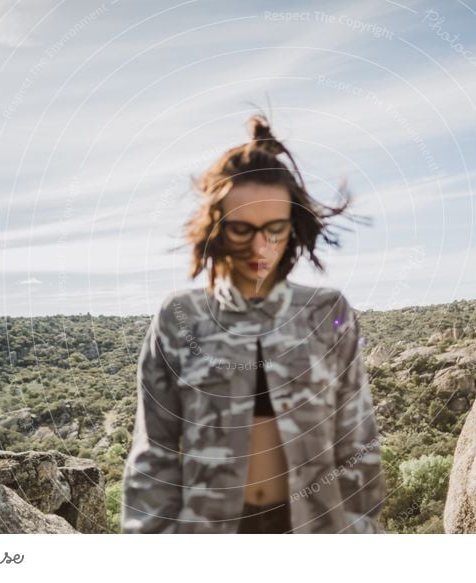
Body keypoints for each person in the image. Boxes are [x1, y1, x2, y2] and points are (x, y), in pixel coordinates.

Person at [121, 112, 385, 534]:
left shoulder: (328, 313)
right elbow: (155, 454)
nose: (260, 247)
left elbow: (357, 440)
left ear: (292, 226)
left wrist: (359, 532)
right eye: (242, 229)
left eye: (275, 229)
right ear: (216, 227)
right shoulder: (179, 318)